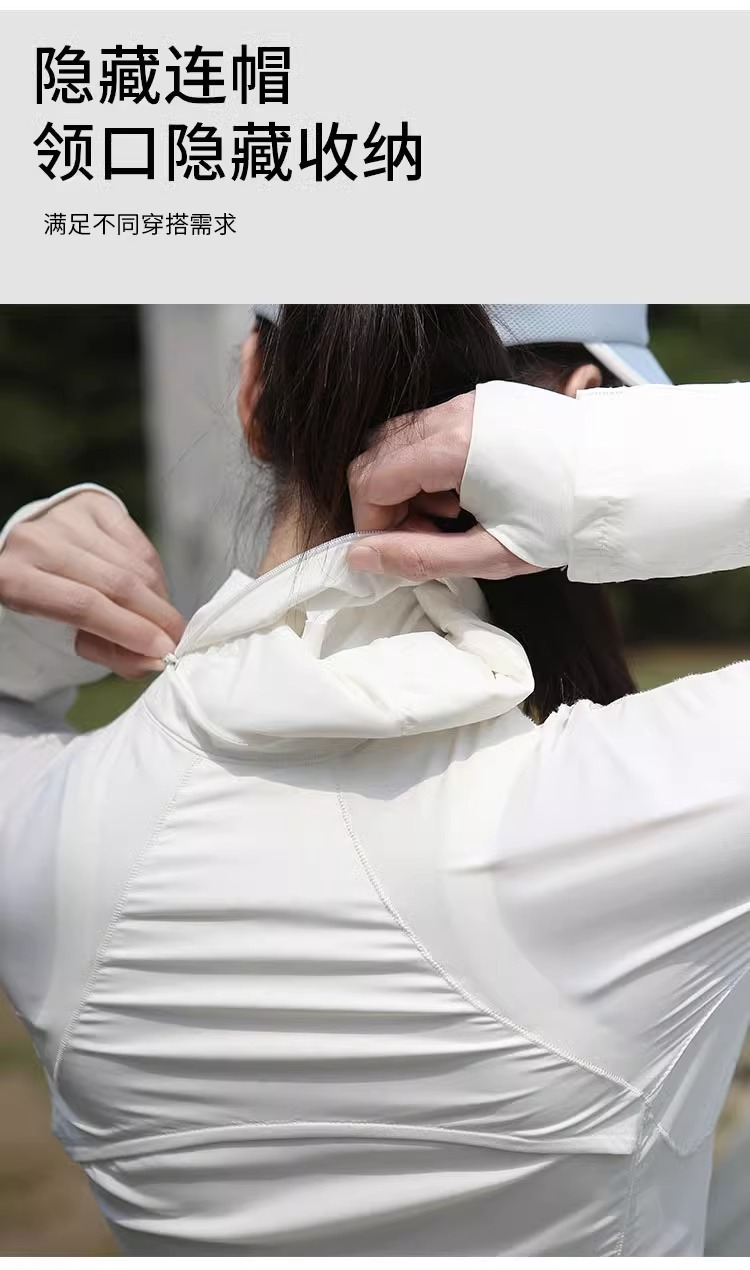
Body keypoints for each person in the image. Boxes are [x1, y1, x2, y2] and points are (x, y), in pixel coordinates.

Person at [0, 305, 747, 1256]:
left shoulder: (50, 826)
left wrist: (20, 631)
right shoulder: (646, 799)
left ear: (253, 391)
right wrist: (615, 471)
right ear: (585, 409)